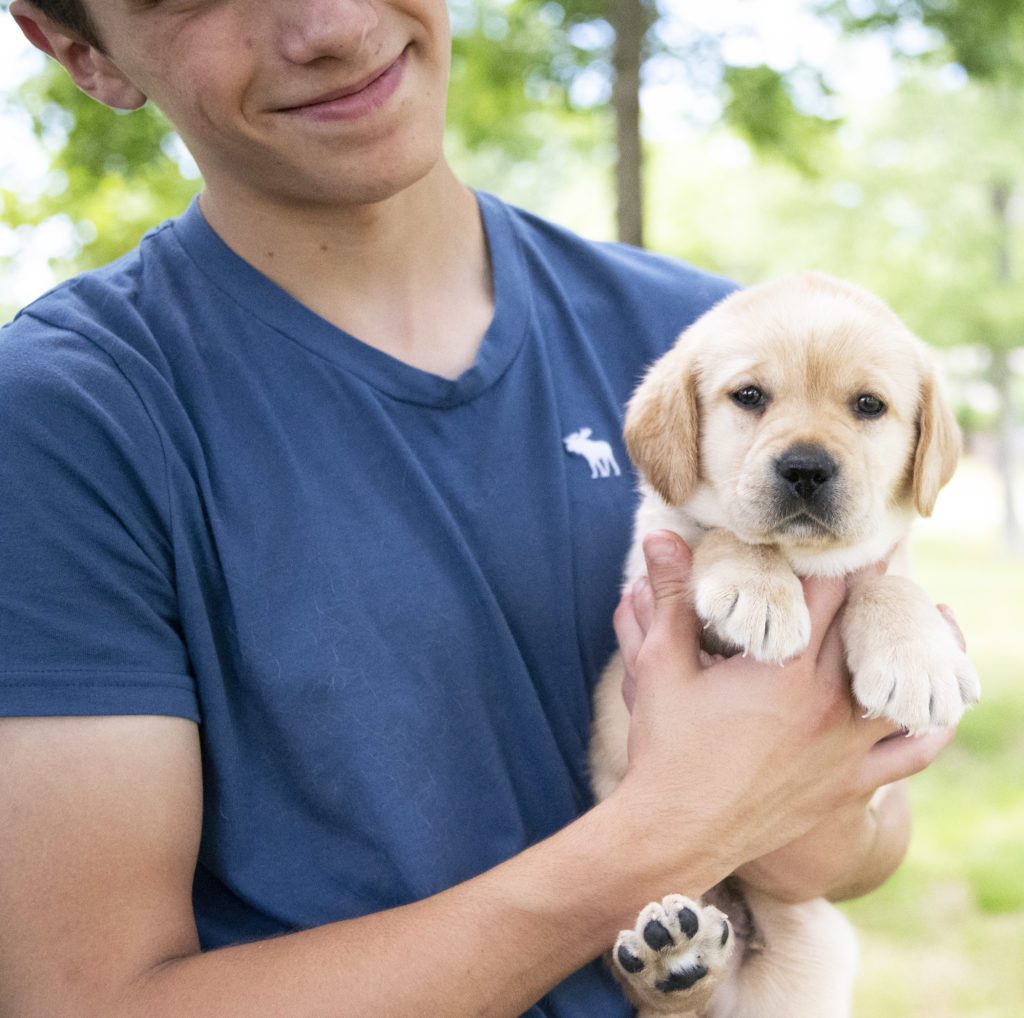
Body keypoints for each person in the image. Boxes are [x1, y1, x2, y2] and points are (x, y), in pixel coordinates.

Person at [0, 1, 959, 1015]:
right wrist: (670, 830)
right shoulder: (75, 420)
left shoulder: (707, 343)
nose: (325, 22)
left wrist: (818, 800)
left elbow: (850, 854)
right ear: (79, 51)